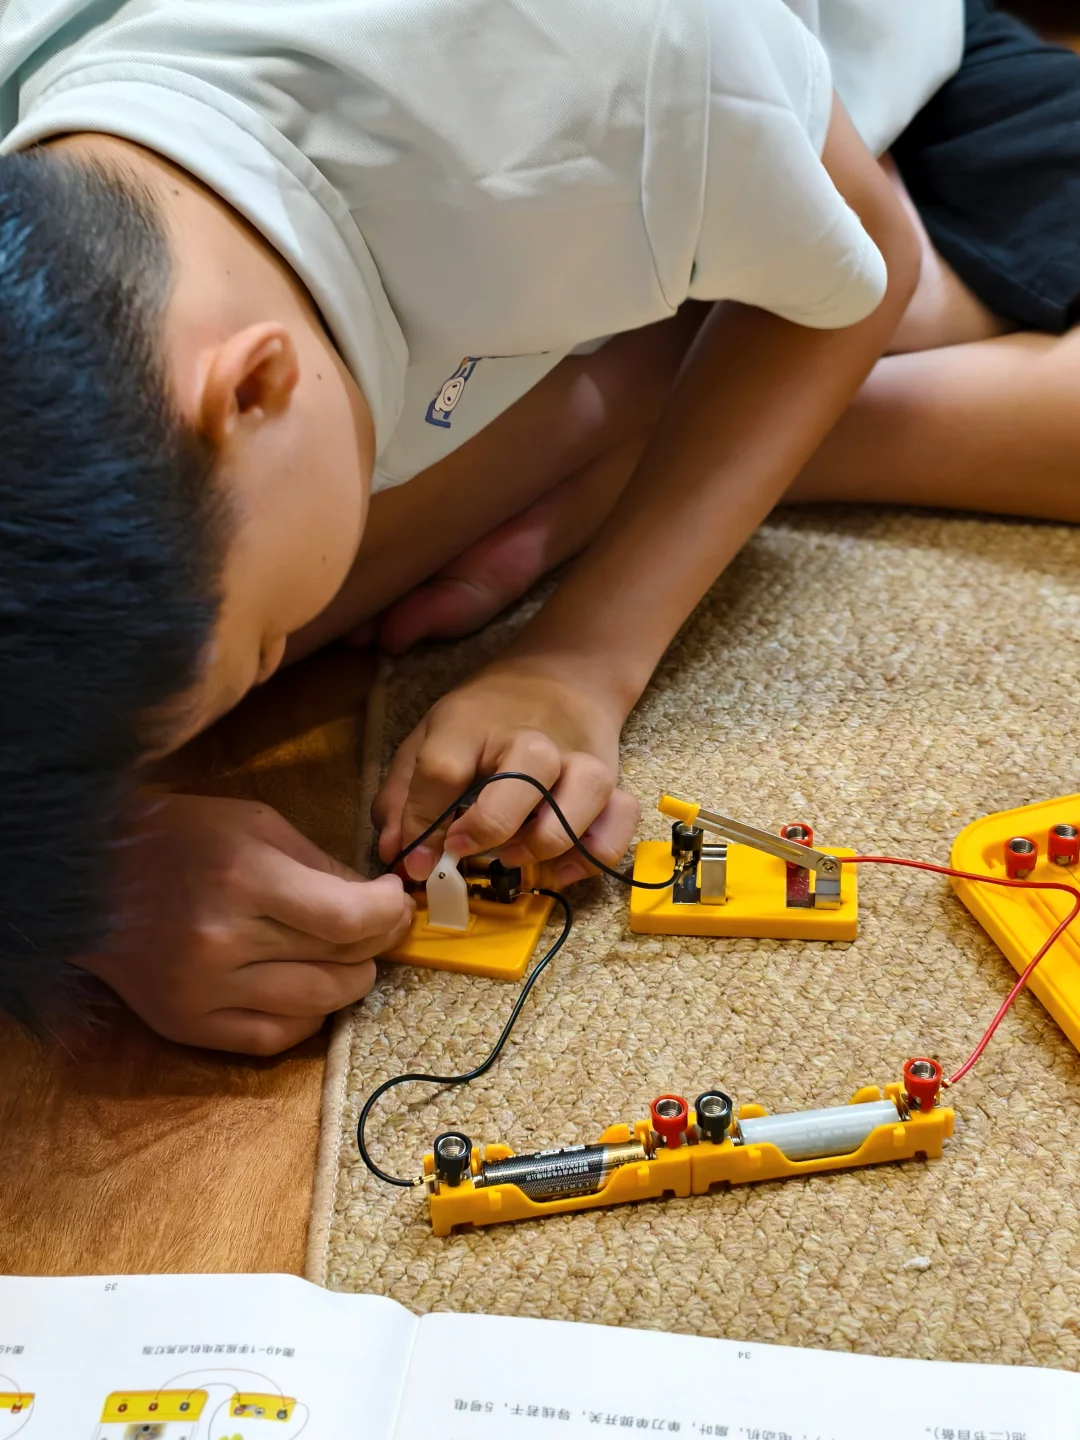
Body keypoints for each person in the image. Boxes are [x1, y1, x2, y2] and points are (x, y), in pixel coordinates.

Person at [0, 0, 972, 1052]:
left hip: (826, 90)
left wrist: (584, 659)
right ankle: (648, 393)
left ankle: (681, 410)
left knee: (968, 302)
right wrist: (104, 886)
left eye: (268, 639)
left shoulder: (629, 72)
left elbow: (868, 261)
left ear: (258, 386)